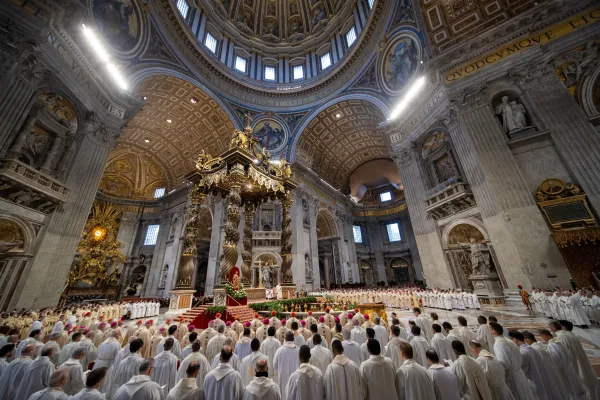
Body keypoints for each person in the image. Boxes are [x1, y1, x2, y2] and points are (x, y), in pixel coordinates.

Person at [489, 322, 535, 400]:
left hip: (511, 376)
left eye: (489, 329)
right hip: (519, 373)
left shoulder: (498, 344)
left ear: (494, 331)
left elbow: (504, 363)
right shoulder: (508, 340)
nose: (489, 331)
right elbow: (520, 359)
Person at [555, 319, 599, 396]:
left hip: (572, 360)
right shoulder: (572, 335)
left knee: (578, 377)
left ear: (563, 327)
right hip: (578, 358)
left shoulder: (564, 337)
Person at [507, 330, 549, 400]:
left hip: (530, 381)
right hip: (538, 378)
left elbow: (523, 370)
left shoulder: (523, 352)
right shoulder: (531, 348)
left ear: (515, 339)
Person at [273, 331, 299, 400]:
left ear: (285, 339)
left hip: (283, 378)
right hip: (295, 379)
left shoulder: (279, 350)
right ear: (293, 339)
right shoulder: (298, 350)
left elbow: (275, 366)